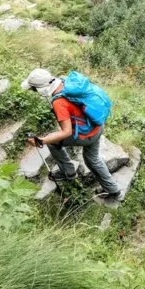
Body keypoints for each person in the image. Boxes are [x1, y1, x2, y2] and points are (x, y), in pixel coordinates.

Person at [21, 68, 122, 199]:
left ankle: (68, 173)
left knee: (53, 142)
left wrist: (42, 141)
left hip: (86, 134)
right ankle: (115, 192)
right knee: (93, 160)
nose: (33, 91)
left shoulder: (59, 102)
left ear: (41, 89)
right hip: (97, 125)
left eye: (33, 89)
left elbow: (66, 131)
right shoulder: (66, 81)